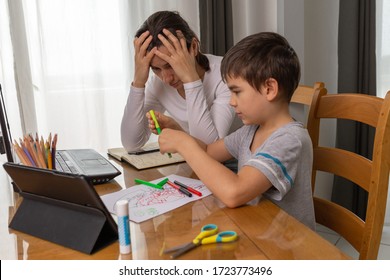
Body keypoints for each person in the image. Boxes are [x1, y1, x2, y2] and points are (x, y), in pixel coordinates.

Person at [158, 32, 316, 230]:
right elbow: (208, 151)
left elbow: (235, 192)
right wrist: (179, 132)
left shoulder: (290, 139)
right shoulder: (251, 131)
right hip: (255, 232)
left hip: (287, 253)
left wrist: (183, 143)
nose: (232, 101)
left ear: (269, 89)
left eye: (237, 91)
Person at [121, 11, 241, 152]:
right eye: (156, 69)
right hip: (196, 161)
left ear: (194, 47)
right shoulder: (158, 84)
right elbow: (131, 144)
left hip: (239, 162)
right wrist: (138, 82)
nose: (166, 78)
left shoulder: (226, 74)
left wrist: (191, 80)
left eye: (170, 65)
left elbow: (210, 147)